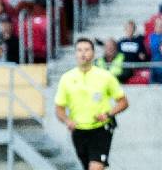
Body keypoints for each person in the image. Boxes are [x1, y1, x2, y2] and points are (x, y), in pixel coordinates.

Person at [54, 38, 129, 170]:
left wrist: (108, 114)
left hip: (101, 128)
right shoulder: (67, 78)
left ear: (93, 53)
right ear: (75, 54)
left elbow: (123, 102)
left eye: (87, 50)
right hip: (79, 130)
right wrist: (67, 120)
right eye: (79, 50)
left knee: (95, 167)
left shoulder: (105, 76)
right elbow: (59, 108)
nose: (83, 53)